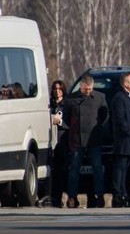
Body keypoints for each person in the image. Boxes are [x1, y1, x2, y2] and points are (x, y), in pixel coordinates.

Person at [64, 74, 110, 209]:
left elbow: (105, 117)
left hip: (94, 139)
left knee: (97, 168)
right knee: (74, 169)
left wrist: (99, 130)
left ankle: (99, 196)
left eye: (90, 89)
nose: (88, 91)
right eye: (85, 89)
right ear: (81, 86)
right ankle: (72, 197)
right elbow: (67, 118)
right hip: (77, 139)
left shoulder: (100, 97)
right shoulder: (71, 99)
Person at [109, 72, 130, 208]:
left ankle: (124, 193)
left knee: (126, 168)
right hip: (123, 140)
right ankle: (118, 195)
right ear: (125, 84)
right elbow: (120, 119)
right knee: (120, 168)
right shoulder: (119, 98)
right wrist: (127, 131)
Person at [47, 79, 69, 208]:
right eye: (55, 89)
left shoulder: (67, 104)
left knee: (61, 171)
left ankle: (61, 197)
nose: (57, 91)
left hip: (62, 140)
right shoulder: (49, 104)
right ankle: (52, 197)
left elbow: (70, 123)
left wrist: (59, 122)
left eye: (60, 89)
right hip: (49, 139)